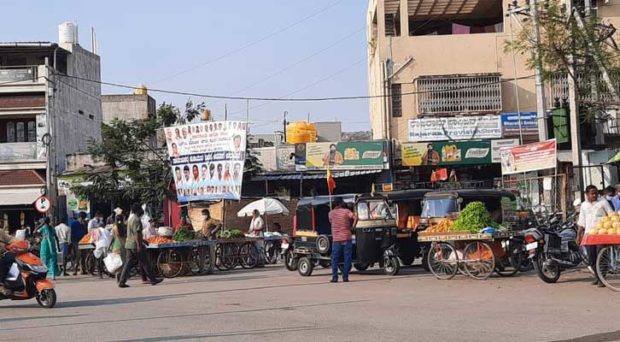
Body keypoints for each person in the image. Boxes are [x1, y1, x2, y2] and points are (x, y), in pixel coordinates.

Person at [578, 185, 614, 287]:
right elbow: (581, 221)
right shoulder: (584, 205)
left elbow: (611, 215)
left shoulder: (603, 203)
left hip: (601, 234)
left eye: (596, 193)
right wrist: (578, 235)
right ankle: (597, 277)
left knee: (601, 257)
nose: (594, 195)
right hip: (589, 235)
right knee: (591, 258)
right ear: (587, 194)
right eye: (592, 193)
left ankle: (602, 279)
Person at [118, 204, 162, 288]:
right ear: (138, 210)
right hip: (135, 244)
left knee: (128, 263)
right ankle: (153, 279)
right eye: (141, 210)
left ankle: (122, 281)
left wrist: (143, 240)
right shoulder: (136, 220)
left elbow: (134, 233)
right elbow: (137, 234)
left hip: (129, 244)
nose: (142, 211)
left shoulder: (130, 219)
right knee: (145, 262)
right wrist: (139, 245)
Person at [328, 198, 357, 283]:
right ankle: (345, 277)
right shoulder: (346, 211)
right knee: (347, 257)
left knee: (335, 259)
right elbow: (355, 217)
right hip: (347, 237)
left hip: (336, 239)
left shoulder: (331, 213)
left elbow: (331, 222)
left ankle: (335, 277)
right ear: (340, 203)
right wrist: (353, 227)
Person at [0, 227, 16, 295]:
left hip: (4, 253)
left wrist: (21, 241)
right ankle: (1, 285)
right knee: (1, 262)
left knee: (16, 260)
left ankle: (12, 281)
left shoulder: (0, 231)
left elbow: (10, 239)